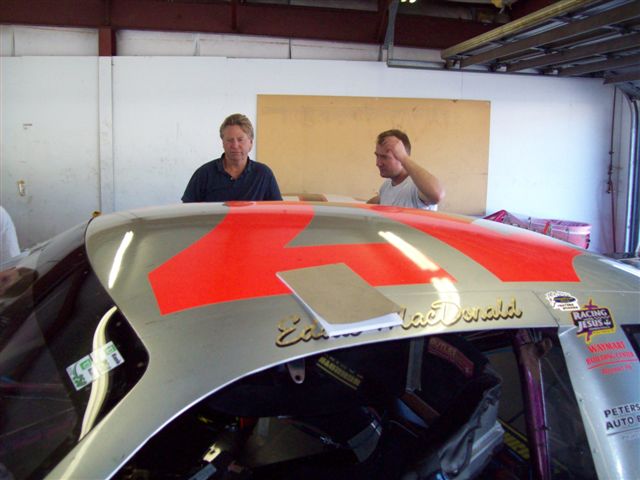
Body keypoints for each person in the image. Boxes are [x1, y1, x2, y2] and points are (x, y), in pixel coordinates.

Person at [182, 113, 282, 202]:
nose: (235, 145)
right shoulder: (204, 174)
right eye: (230, 140)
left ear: (251, 143)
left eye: (240, 139)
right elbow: (187, 211)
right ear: (222, 143)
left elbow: (278, 211)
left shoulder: (263, 174)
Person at [368, 129, 444, 210]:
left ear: (401, 155)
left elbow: (437, 195)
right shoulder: (386, 185)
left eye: (385, 157)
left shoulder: (416, 186)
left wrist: (404, 158)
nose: (378, 163)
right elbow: (381, 199)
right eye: (377, 156)